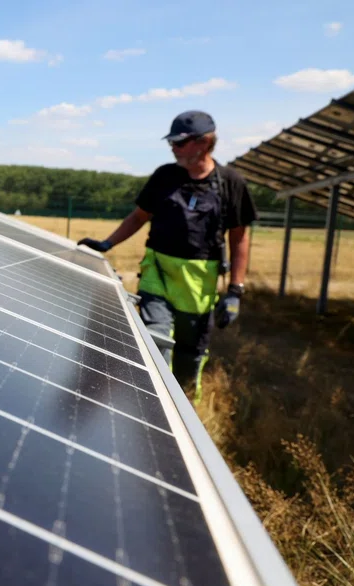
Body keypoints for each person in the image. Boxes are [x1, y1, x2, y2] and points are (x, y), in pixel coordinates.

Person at [77, 110, 258, 401]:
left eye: (179, 142)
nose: (172, 147)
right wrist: (107, 244)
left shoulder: (230, 183)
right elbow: (138, 217)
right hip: (157, 273)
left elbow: (239, 239)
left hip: (198, 284)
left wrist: (236, 290)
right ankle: (150, 403)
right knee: (155, 336)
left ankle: (185, 410)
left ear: (204, 142)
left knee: (190, 353)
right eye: (171, 142)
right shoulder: (164, 176)